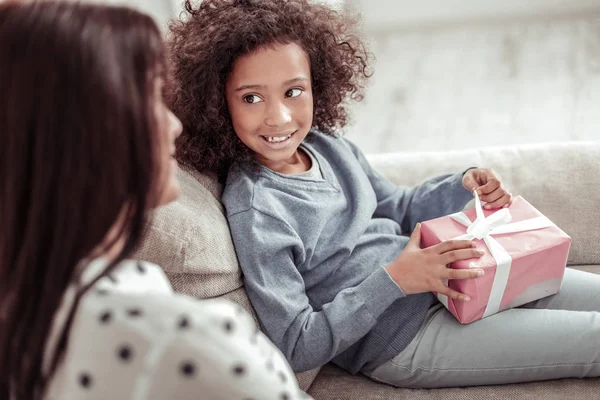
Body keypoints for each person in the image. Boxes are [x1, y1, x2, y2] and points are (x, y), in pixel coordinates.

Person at [167, 0, 600, 389]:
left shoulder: (325, 145)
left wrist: (462, 183)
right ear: (218, 103)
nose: (279, 117)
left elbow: (398, 207)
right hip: (405, 341)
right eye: (251, 98)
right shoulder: (258, 211)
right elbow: (296, 343)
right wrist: (394, 280)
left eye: (293, 91)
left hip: (456, 280)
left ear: (318, 84)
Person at [0, 2, 311, 399]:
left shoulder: (28, 308)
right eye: (150, 99)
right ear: (89, 136)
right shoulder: (183, 344)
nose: (174, 124)